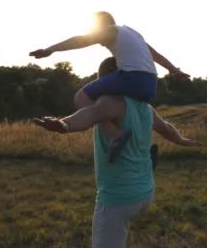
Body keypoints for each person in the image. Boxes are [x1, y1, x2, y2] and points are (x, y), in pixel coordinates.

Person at [33, 57, 200, 248]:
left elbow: (88, 115)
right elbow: (166, 128)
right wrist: (183, 140)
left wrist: (64, 125)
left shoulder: (111, 103)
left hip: (117, 199)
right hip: (144, 192)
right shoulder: (145, 108)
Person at [29, 11, 190, 162]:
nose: (100, 42)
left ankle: (114, 135)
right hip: (150, 84)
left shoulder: (110, 30)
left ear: (101, 27)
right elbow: (156, 55)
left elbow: (81, 40)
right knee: (123, 109)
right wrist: (174, 70)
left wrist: (50, 49)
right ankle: (140, 152)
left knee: (82, 97)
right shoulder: (133, 34)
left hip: (132, 77)